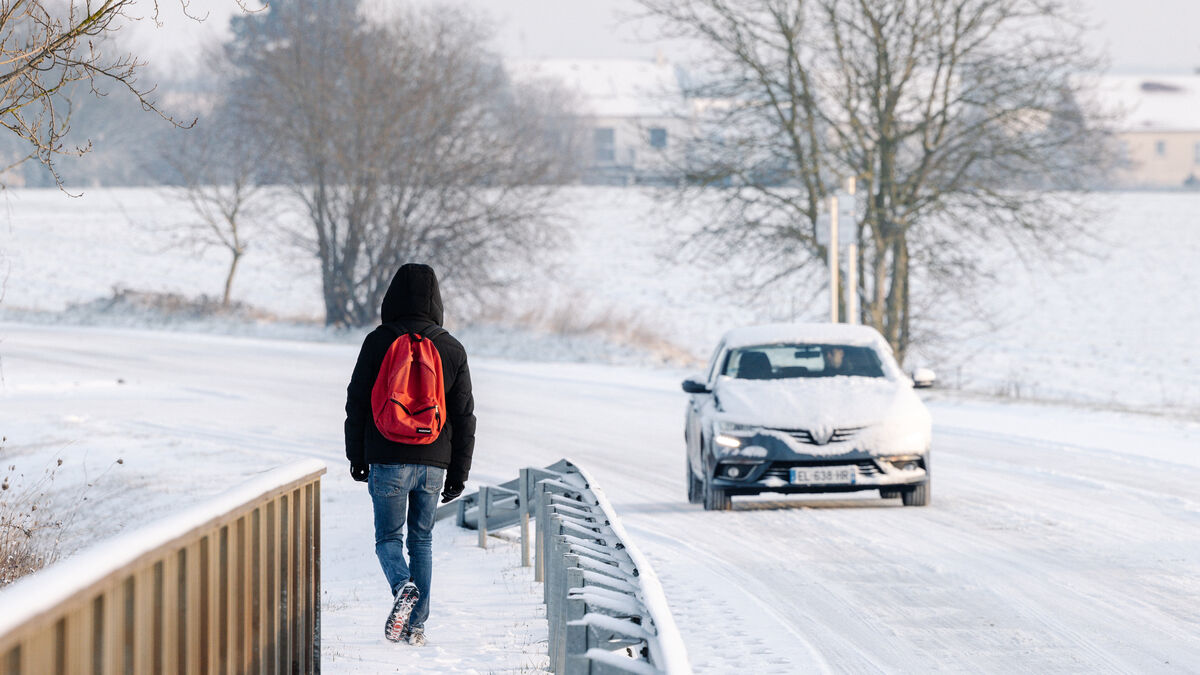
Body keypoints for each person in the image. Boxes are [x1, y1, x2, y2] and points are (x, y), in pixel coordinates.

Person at [344, 263, 475, 646]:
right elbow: (465, 417)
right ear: (436, 300)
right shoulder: (451, 347)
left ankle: (402, 586)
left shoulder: (378, 341)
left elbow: (356, 403)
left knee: (388, 538)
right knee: (422, 541)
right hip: (434, 462)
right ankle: (416, 626)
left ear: (392, 297)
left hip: (387, 456)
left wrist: (357, 455)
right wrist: (458, 473)